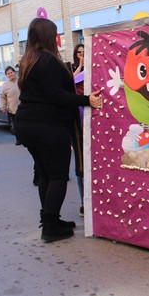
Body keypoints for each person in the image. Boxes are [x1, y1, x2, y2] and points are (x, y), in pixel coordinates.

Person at [15, 18, 102, 243]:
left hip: (27, 124)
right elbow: (56, 95)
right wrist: (86, 100)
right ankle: (51, 227)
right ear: (48, 36)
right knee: (57, 176)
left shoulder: (29, 60)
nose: (58, 38)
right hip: (47, 127)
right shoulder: (48, 61)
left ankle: (50, 219)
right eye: (55, 34)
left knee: (45, 174)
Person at [71, 43, 85, 217]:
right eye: (79, 52)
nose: (82, 54)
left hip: (92, 123)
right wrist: (80, 67)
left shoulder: (96, 68)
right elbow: (69, 84)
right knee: (81, 165)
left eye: (84, 51)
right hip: (77, 125)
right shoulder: (71, 70)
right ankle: (83, 202)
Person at [0, 66, 21, 144]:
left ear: (14, 72)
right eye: (8, 74)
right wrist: (3, 107)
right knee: (16, 125)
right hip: (13, 109)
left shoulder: (21, 81)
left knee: (24, 124)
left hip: (23, 107)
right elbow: (2, 97)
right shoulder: (5, 85)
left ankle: (26, 139)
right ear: (6, 75)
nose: (10, 74)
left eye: (11, 72)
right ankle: (19, 139)